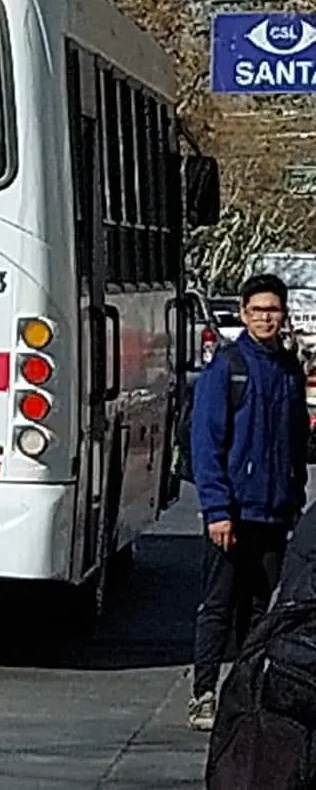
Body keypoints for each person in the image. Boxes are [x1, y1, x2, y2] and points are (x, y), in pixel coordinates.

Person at [188, 273, 310, 732]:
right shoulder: (228, 366)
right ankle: (203, 693)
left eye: (273, 310)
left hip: (275, 512)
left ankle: (246, 694)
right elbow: (207, 442)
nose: (266, 318)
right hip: (233, 513)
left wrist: (294, 496)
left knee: (265, 612)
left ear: (284, 314)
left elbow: (296, 440)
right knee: (218, 606)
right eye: (257, 310)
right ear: (242, 313)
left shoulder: (288, 369)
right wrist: (216, 509)